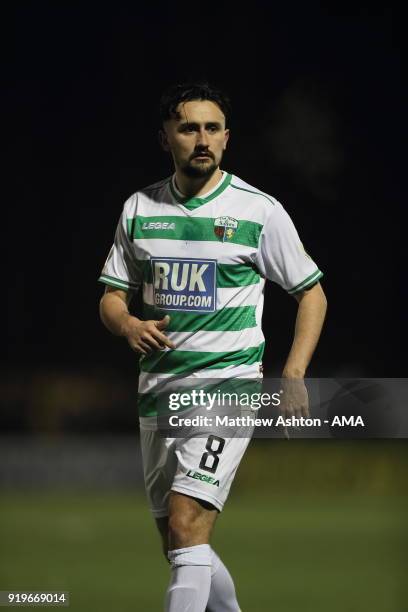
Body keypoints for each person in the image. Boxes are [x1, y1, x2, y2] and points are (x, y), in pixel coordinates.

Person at [98, 82, 327, 612]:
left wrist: (293, 373)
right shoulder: (139, 209)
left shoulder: (258, 211)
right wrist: (128, 324)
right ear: (166, 138)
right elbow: (110, 296)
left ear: (226, 138)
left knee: (186, 521)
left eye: (212, 128)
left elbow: (311, 293)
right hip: (158, 391)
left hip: (228, 387)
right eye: (189, 128)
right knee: (179, 541)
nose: (202, 139)